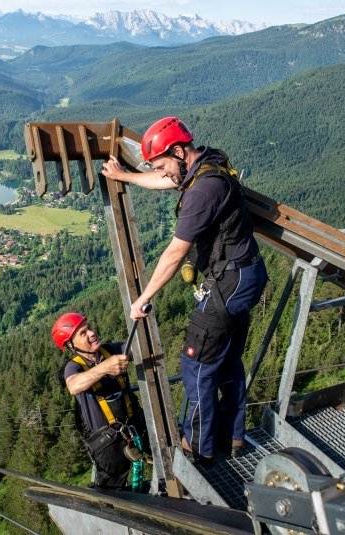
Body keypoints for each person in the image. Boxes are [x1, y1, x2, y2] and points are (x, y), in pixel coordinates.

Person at [101, 117, 267, 465]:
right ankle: (234, 437)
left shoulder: (203, 191)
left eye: (163, 163)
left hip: (228, 283)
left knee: (197, 365)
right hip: (245, 275)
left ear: (179, 152)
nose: (164, 173)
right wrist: (127, 177)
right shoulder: (208, 167)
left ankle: (198, 447)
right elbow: (166, 178)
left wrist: (143, 298)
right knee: (228, 363)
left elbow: (175, 253)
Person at [52, 312, 147, 489]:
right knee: (111, 491)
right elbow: (74, 385)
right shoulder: (74, 366)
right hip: (108, 441)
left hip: (136, 425)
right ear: (72, 345)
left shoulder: (110, 350)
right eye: (83, 333)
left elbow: (140, 346)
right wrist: (104, 368)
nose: (91, 333)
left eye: (89, 328)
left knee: (169, 449)